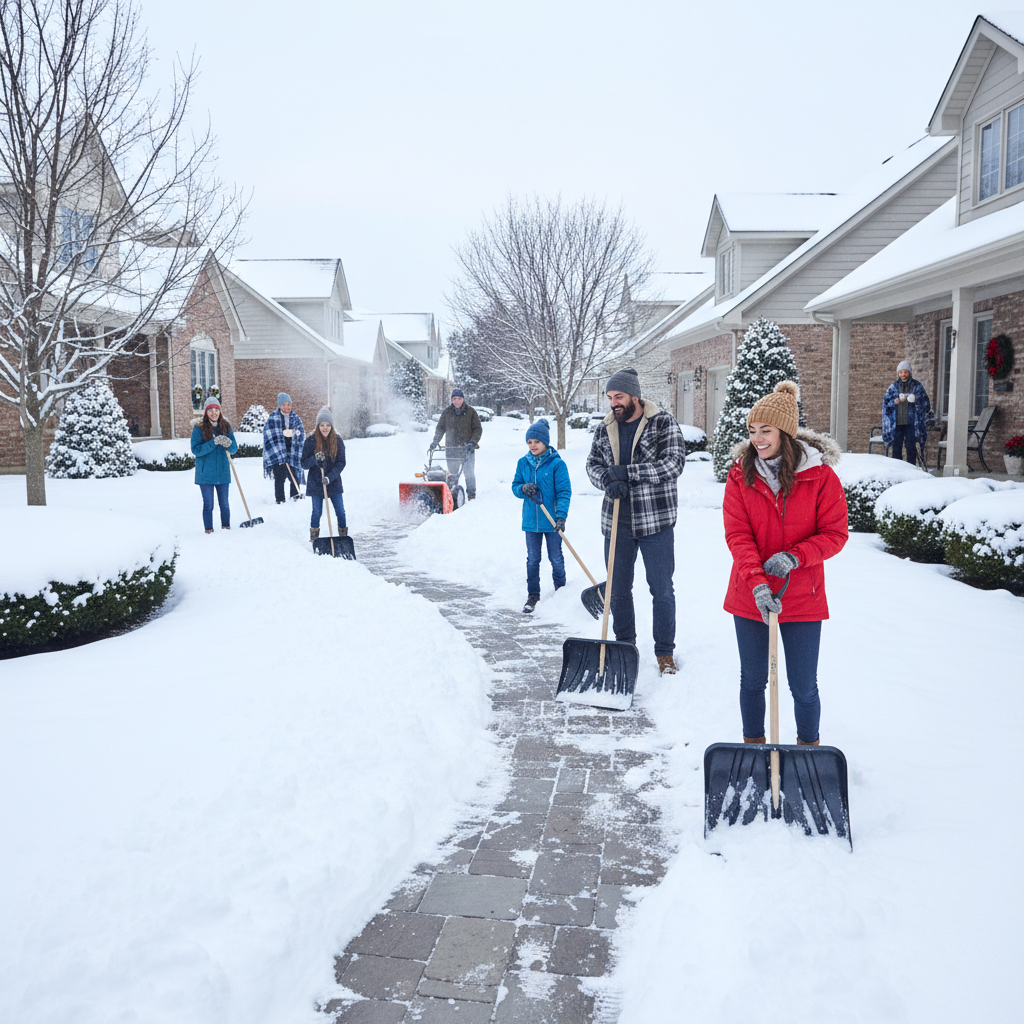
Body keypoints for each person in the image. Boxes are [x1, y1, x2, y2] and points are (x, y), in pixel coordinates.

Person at [723, 380, 849, 746]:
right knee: (752, 680)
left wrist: (795, 556)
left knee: (804, 686)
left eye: (766, 431)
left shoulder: (820, 476)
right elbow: (738, 536)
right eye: (752, 431)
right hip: (750, 592)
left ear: (786, 432)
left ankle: (808, 754)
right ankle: (754, 748)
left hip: (802, 596)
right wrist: (758, 584)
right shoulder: (740, 475)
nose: (757, 439)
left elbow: (835, 533)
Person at [586, 367, 686, 676]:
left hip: (655, 521)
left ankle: (665, 653)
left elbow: (673, 464)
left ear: (635, 396)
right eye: (610, 397)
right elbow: (592, 465)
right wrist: (607, 480)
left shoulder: (662, 423)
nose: (614, 403)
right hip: (617, 523)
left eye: (619, 397)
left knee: (662, 590)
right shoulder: (605, 428)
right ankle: (624, 646)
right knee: (617, 590)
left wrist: (628, 474)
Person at [511, 418, 571, 613]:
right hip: (531, 521)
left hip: (552, 521)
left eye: (537, 441)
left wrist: (561, 516)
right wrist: (523, 488)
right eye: (529, 442)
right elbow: (515, 487)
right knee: (533, 559)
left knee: (556, 558)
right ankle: (533, 595)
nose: (533, 445)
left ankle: (561, 592)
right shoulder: (523, 463)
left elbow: (563, 492)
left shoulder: (557, 464)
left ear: (545, 442)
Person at [190, 395, 238, 533]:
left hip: (223, 472)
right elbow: (196, 450)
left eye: (216, 409)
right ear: (206, 412)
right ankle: (209, 530)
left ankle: (226, 528)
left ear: (220, 411)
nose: (213, 412)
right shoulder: (199, 428)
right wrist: (214, 442)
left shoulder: (226, 426)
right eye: (210, 409)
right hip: (205, 474)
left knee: (224, 504)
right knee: (208, 505)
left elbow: (234, 449)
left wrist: (228, 443)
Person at [300, 406, 347, 542]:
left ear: (331, 426)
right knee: (317, 512)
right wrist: (314, 459)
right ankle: (314, 539)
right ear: (318, 426)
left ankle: (343, 538)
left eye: (327, 425)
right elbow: (303, 464)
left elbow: (341, 462)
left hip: (334, 482)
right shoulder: (311, 441)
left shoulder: (338, 441)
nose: (325, 428)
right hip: (316, 483)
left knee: (340, 512)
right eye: (322, 425)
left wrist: (329, 477)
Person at [430, 388, 483, 499]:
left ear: (463, 399)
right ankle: (452, 495)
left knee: (469, 473)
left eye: (459, 398)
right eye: (454, 399)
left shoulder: (471, 412)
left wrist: (472, 443)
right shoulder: (447, 412)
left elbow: (477, 429)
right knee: (452, 474)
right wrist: (435, 442)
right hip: (452, 449)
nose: (457, 401)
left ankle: (471, 495)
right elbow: (440, 428)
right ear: (452, 400)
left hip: (467, 449)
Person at [882, 360, 931, 465]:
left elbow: (926, 404)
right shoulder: (893, 387)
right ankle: (897, 467)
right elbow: (886, 405)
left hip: (912, 423)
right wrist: (894, 402)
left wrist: (915, 401)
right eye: (901, 372)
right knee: (896, 447)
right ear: (898, 374)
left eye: (905, 372)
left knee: (910, 446)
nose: (903, 374)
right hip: (897, 423)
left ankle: (911, 468)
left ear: (910, 373)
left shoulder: (917, 386)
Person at [263, 392, 306, 502]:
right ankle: (280, 499)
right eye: (284, 405)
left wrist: (293, 433)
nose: (287, 407)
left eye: (289, 404)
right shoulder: (273, 418)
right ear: (279, 405)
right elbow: (269, 434)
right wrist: (280, 435)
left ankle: (295, 496)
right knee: (279, 477)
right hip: (278, 452)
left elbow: (301, 433)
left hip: (292, 451)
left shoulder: (296, 418)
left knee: (294, 476)